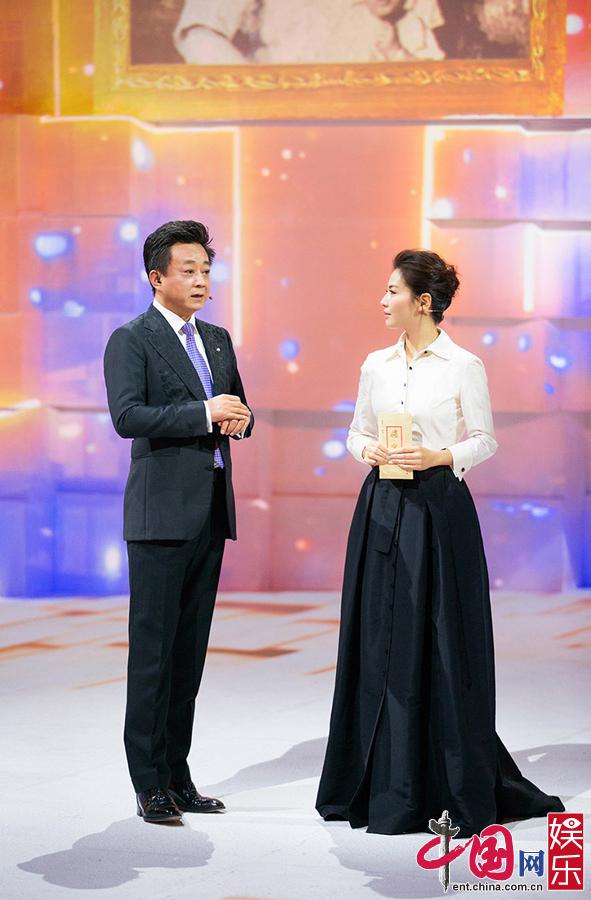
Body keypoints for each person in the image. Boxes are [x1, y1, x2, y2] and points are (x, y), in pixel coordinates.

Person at [316, 249, 564, 837]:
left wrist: (440, 455)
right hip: (381, 507)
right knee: (379, 638)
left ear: (422, 302)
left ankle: (445, 779)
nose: (382, 300)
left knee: (441, 640)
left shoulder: (462, 365)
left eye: (392, 291)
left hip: (439, 509)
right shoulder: (375, 364)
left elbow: (484, 439)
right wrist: (368, 449)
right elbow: (355, 431)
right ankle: (382, 781)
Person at [104, 220, 253, 824]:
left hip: (210, 512)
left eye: (205, 270)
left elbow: (236, 405)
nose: (200, 280)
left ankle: (178, 775)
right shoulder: (131, 338)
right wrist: (203, 412)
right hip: (160, 517)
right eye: (187, 270)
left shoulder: (216, 339)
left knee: (189, 656)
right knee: (154, 656)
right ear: (156, 276)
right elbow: (128, 417)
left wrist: (240, 418)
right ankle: (148, 783)